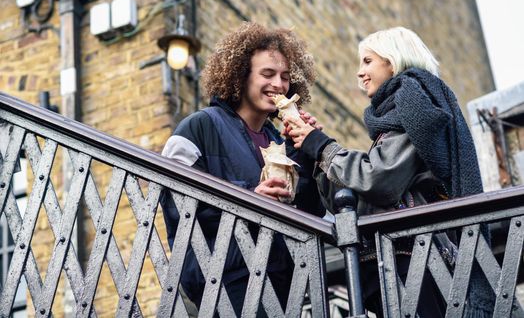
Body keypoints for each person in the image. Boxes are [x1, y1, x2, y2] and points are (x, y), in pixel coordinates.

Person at [284, 26, 493, 317]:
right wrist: (314, 152)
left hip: (414, 257)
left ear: (392, 61)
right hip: (398, 256)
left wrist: (321, 146)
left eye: (368, 61)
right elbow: (347, 199)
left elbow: (380, 180)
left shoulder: (412, 99)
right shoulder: (397, 115)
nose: (360, 73)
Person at [160, 22, 325, 315]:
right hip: (225, 276)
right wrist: (250, 199)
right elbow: (178, 202)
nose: (279, 85)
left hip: (282, 280)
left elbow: (310, 212)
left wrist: (308, 151)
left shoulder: (279, 140)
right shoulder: (200, 126)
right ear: (240, 76)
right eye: (267, 74)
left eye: (285, 77)